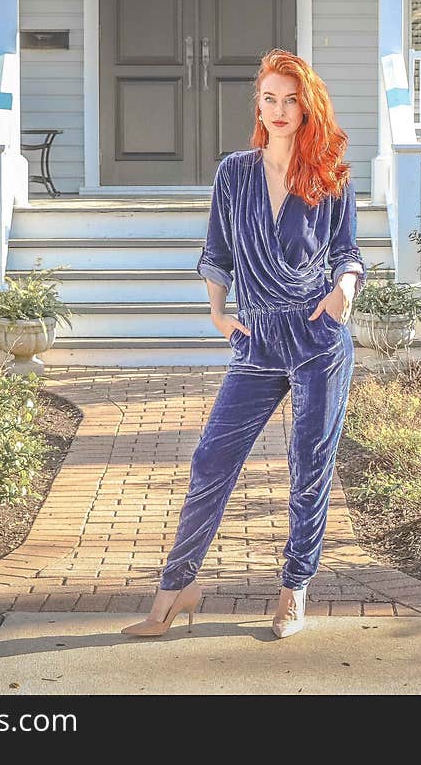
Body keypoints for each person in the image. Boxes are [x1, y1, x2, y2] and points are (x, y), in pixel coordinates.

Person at [121, 49, 367, 639]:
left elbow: (348, 252)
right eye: (270, 99)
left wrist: (344, 291)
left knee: (309, 467)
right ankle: (178, 588)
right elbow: (218, 250)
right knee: (211, 458)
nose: (280, 110)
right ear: (257, 104)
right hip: (256, 342)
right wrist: (216, 311)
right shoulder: (234, 173)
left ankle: (293, 592)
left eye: (291, 100)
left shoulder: (330, 172)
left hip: (317, 340)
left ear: (307, 108)